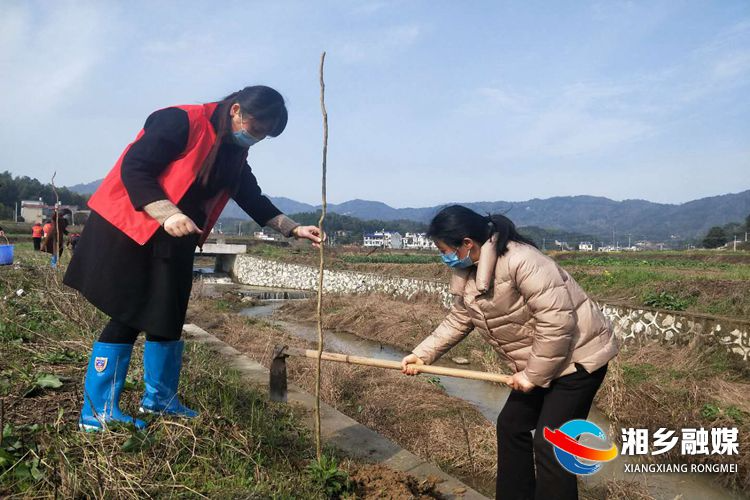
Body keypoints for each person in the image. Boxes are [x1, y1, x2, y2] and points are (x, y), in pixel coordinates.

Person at [64, 86, 324, 432]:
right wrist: (166, 213)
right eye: (256, 129)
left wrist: (293, 229)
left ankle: (160, 401)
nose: (256, 138)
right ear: (236, 111)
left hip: (178, 238)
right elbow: (136, 167)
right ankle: (97, 413)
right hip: (133, 227)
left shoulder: (233, 151)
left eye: (264, 135)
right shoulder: (181, 121)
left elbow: (251, 196)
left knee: (167, 317)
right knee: (128, 315)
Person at [400, 205, 618, 500]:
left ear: (467, 243)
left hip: (578, 360)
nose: (445, 257)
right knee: (511, 425)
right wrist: (422, 355)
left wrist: (531, 375)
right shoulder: (466, 271)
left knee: (551, 442)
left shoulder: (523, 261)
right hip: (540, 361)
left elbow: (556, 322)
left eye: (445, 249)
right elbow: (459, 318)